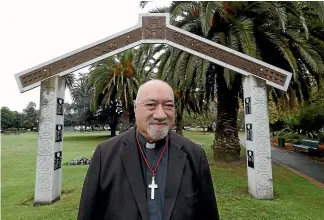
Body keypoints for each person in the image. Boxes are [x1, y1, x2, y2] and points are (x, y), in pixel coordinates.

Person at [77, 79, 220, 220]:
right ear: (135, 107)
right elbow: (89, 213)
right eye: (151, 105)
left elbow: (208, 214)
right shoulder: (105, 154)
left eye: (168, 106)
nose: (160, 115)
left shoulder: (194, 154)